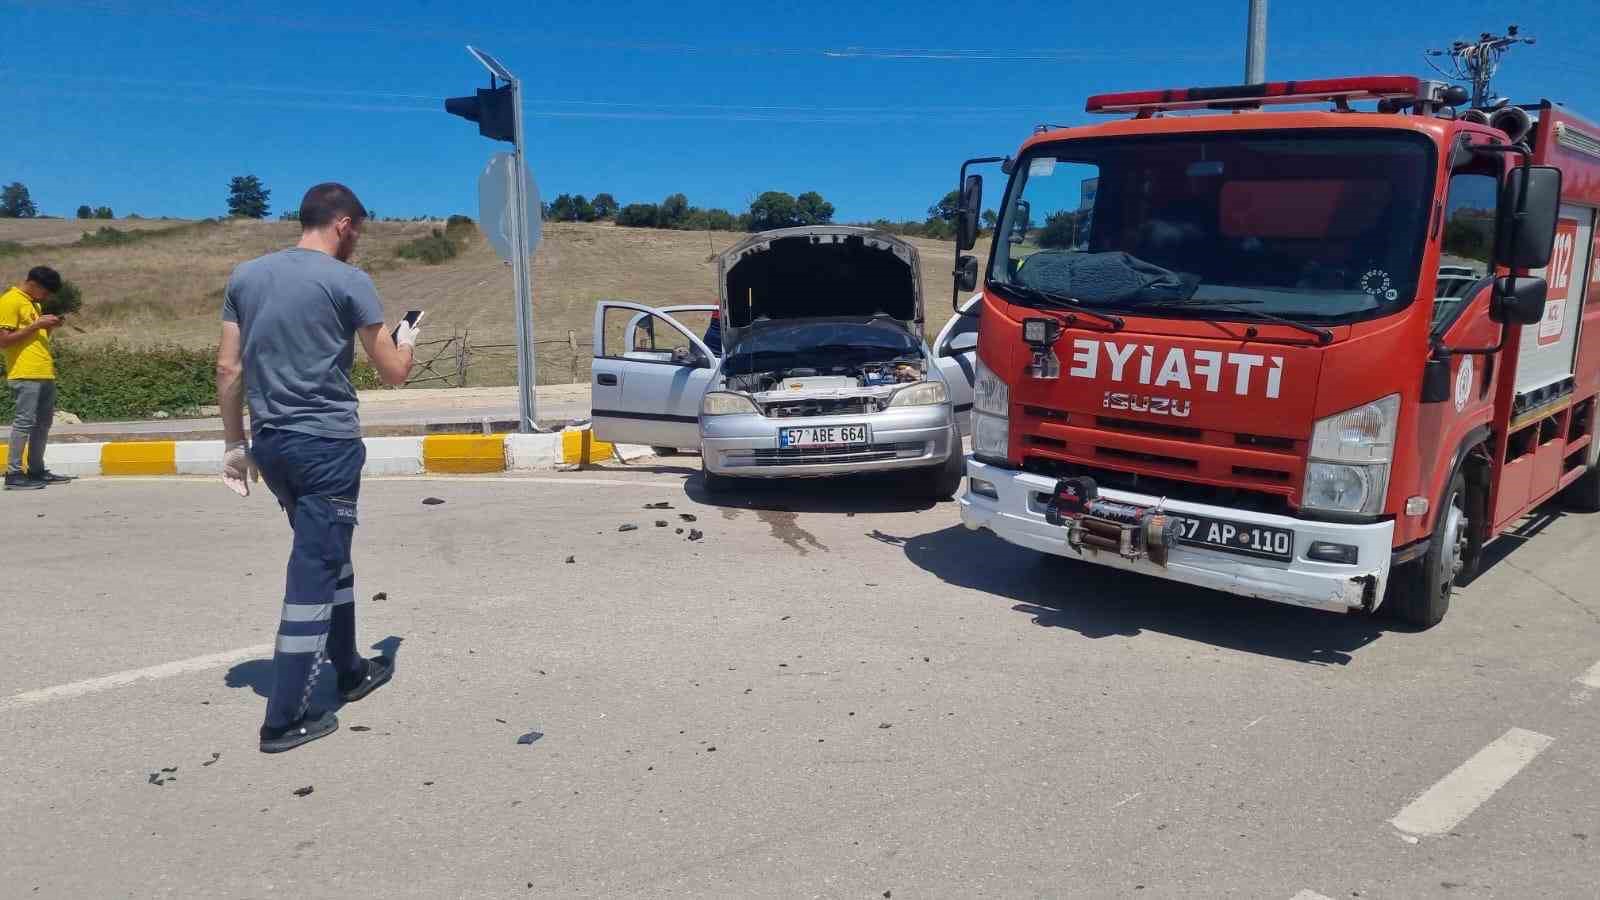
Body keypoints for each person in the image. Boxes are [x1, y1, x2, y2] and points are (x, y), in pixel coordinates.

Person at [216, 182, 423, 753]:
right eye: (358, 230)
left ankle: (351, 669)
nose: (357, 240)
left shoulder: (246, 277)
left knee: (331, 553)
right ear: (343, 224)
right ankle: (284, 717)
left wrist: (236, 444)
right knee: (314, 566)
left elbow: (228, 369)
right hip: (326, 446)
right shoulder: (348, 281)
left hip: (273, 443)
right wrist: (408, 341)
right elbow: (393, 372)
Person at [0, 266, 73, 491]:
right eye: (47, 291)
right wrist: (36, 325)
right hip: (24, 373)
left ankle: (36, 469)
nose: (48, 296)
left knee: (42, 425)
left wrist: (47, 327)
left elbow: (33, 338)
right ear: (34, 284)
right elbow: (3, 340)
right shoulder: (10, 301)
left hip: (43, 372)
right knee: (24, 423)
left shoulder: (34, 304)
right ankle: (13, 473)